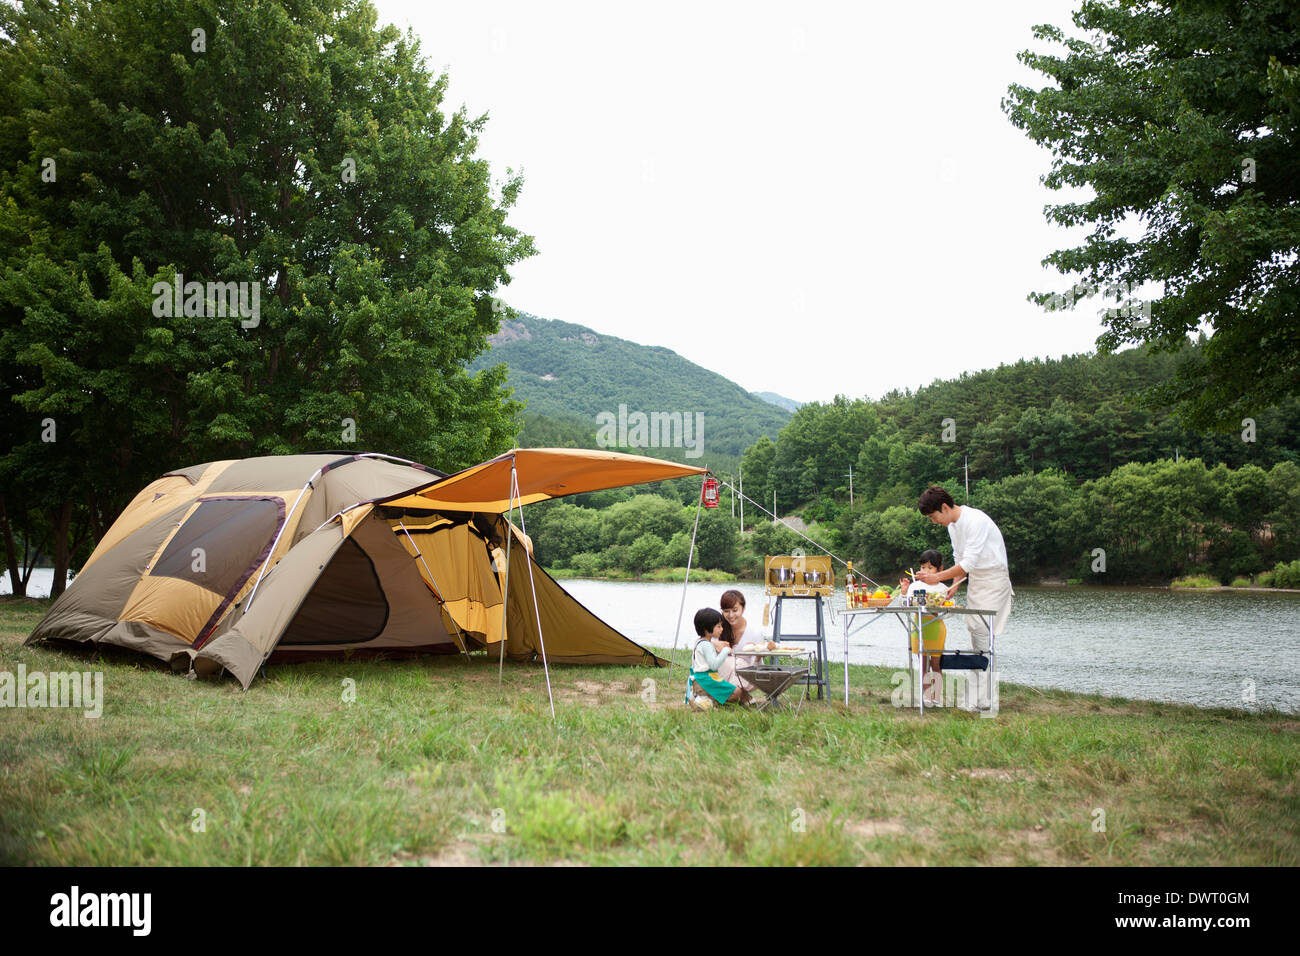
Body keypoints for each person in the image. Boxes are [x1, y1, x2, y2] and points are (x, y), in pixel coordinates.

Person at [913, 486, 1013, 709]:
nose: (934, 521)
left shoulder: (975, 520)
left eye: (933, 516)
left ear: (945, 507)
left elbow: (968, 562)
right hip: (977, 582)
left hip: (995, 580)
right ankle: (982, 699)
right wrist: (953, 587)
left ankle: (981, 700)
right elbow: (961, 561)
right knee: (978, 637)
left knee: (983, 637)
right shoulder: (952, 527)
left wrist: (936, 577)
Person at [898, 549, 954, 705]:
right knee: (922, 663)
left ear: (939, 569)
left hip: (936, 628)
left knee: (936, 664)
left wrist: (939, 610)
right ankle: (926, 696)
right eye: (923, 567)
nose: (926, 571)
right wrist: (903, 593)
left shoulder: (943, 588)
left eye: (930, 568)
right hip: (918, 627)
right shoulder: (915, 586)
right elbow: (905, 606)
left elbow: (950, 610)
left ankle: (937, 696)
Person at [688, 607, 750, 710]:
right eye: (718, 626)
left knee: (734, 690)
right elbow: (714, 665)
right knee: (737, 692)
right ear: (706, 629)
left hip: (699, 679)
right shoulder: (707, 645)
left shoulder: (699, 642)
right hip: (705, 680)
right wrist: (725, 651)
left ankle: (703, 698)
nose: (722, 629)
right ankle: (707, 701)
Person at [717, 589, 758, 693]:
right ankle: (734, 695)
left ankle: (732, 694)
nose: (730, 615)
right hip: (721, 674)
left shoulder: (754, 633)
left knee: (739, 664)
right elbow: (701, 645)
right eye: (726, 611)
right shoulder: (717, 627)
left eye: (735, 610)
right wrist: (714, 644)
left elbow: (757, 666)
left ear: (743, 609)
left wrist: (758, 655)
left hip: (745, 677)